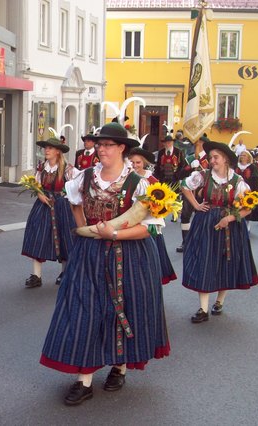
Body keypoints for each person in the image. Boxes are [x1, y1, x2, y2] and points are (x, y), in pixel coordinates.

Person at [40, 123, 170, 406]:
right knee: (83, 310)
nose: (101, 149)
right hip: (90, 253)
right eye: (98, 144)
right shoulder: (85, 177)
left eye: (107, 144)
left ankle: (119, 366)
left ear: (122, 148)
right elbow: (73, 202)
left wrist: (114, 233)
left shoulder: (141, 183)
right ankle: (83, 380)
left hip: (131, 256)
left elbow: (153, 229)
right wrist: (83, 229)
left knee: (123, 309)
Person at [181, 140, 258, 323]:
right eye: (211, 157)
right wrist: (196, 205)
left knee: (225, 262)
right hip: (205, 224)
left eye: (215, 157)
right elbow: (184, 186)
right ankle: (203, 308)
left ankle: (219, 301)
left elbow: (249, 207)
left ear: (225, 159)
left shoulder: (238, 181)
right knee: (203, 261)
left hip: (229, 227)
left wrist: (229, 218)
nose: (212, 160)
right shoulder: (203, 175)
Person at [22, 136, 80, 288]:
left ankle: (65, 272)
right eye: (45, 148)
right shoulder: (42, 168)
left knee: (65, 237)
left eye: (50, 148)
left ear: (58, 152)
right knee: (37, 236)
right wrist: (39, 194)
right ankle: (36, 275)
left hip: (62, 206)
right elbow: (35, 184)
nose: (46, 150)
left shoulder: (68, 169)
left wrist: (67, 197)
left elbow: (78, 185)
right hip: (43, 205)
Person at [128, 147, 176, 284]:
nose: (135, 165)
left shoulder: (152, 180)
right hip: (130, 222)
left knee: (150, 259)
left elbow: (164, 204)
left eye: (138, 162)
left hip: (147, 224)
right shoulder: (126, 177)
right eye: (132, 162)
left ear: (144, 163)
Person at [176, 134, 210, 252]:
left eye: (199, 143)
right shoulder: (190, 158)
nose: (197, 145)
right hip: (189, 191)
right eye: (196, 143)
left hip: (203, 192)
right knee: (185, 216)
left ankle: (200, 242)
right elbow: (179, 175)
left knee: (201, 216)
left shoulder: (210, 159)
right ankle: (186, 242)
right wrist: (189, 167)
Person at [235, 150, 258, 225]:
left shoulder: (252, 167)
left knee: (247, 205)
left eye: (244, 155)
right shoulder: (236, 166)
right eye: (241, 155)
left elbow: (255, 178)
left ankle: (247, 223)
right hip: (237, 189)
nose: (242, 157)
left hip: (248, 189)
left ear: (248, 157)